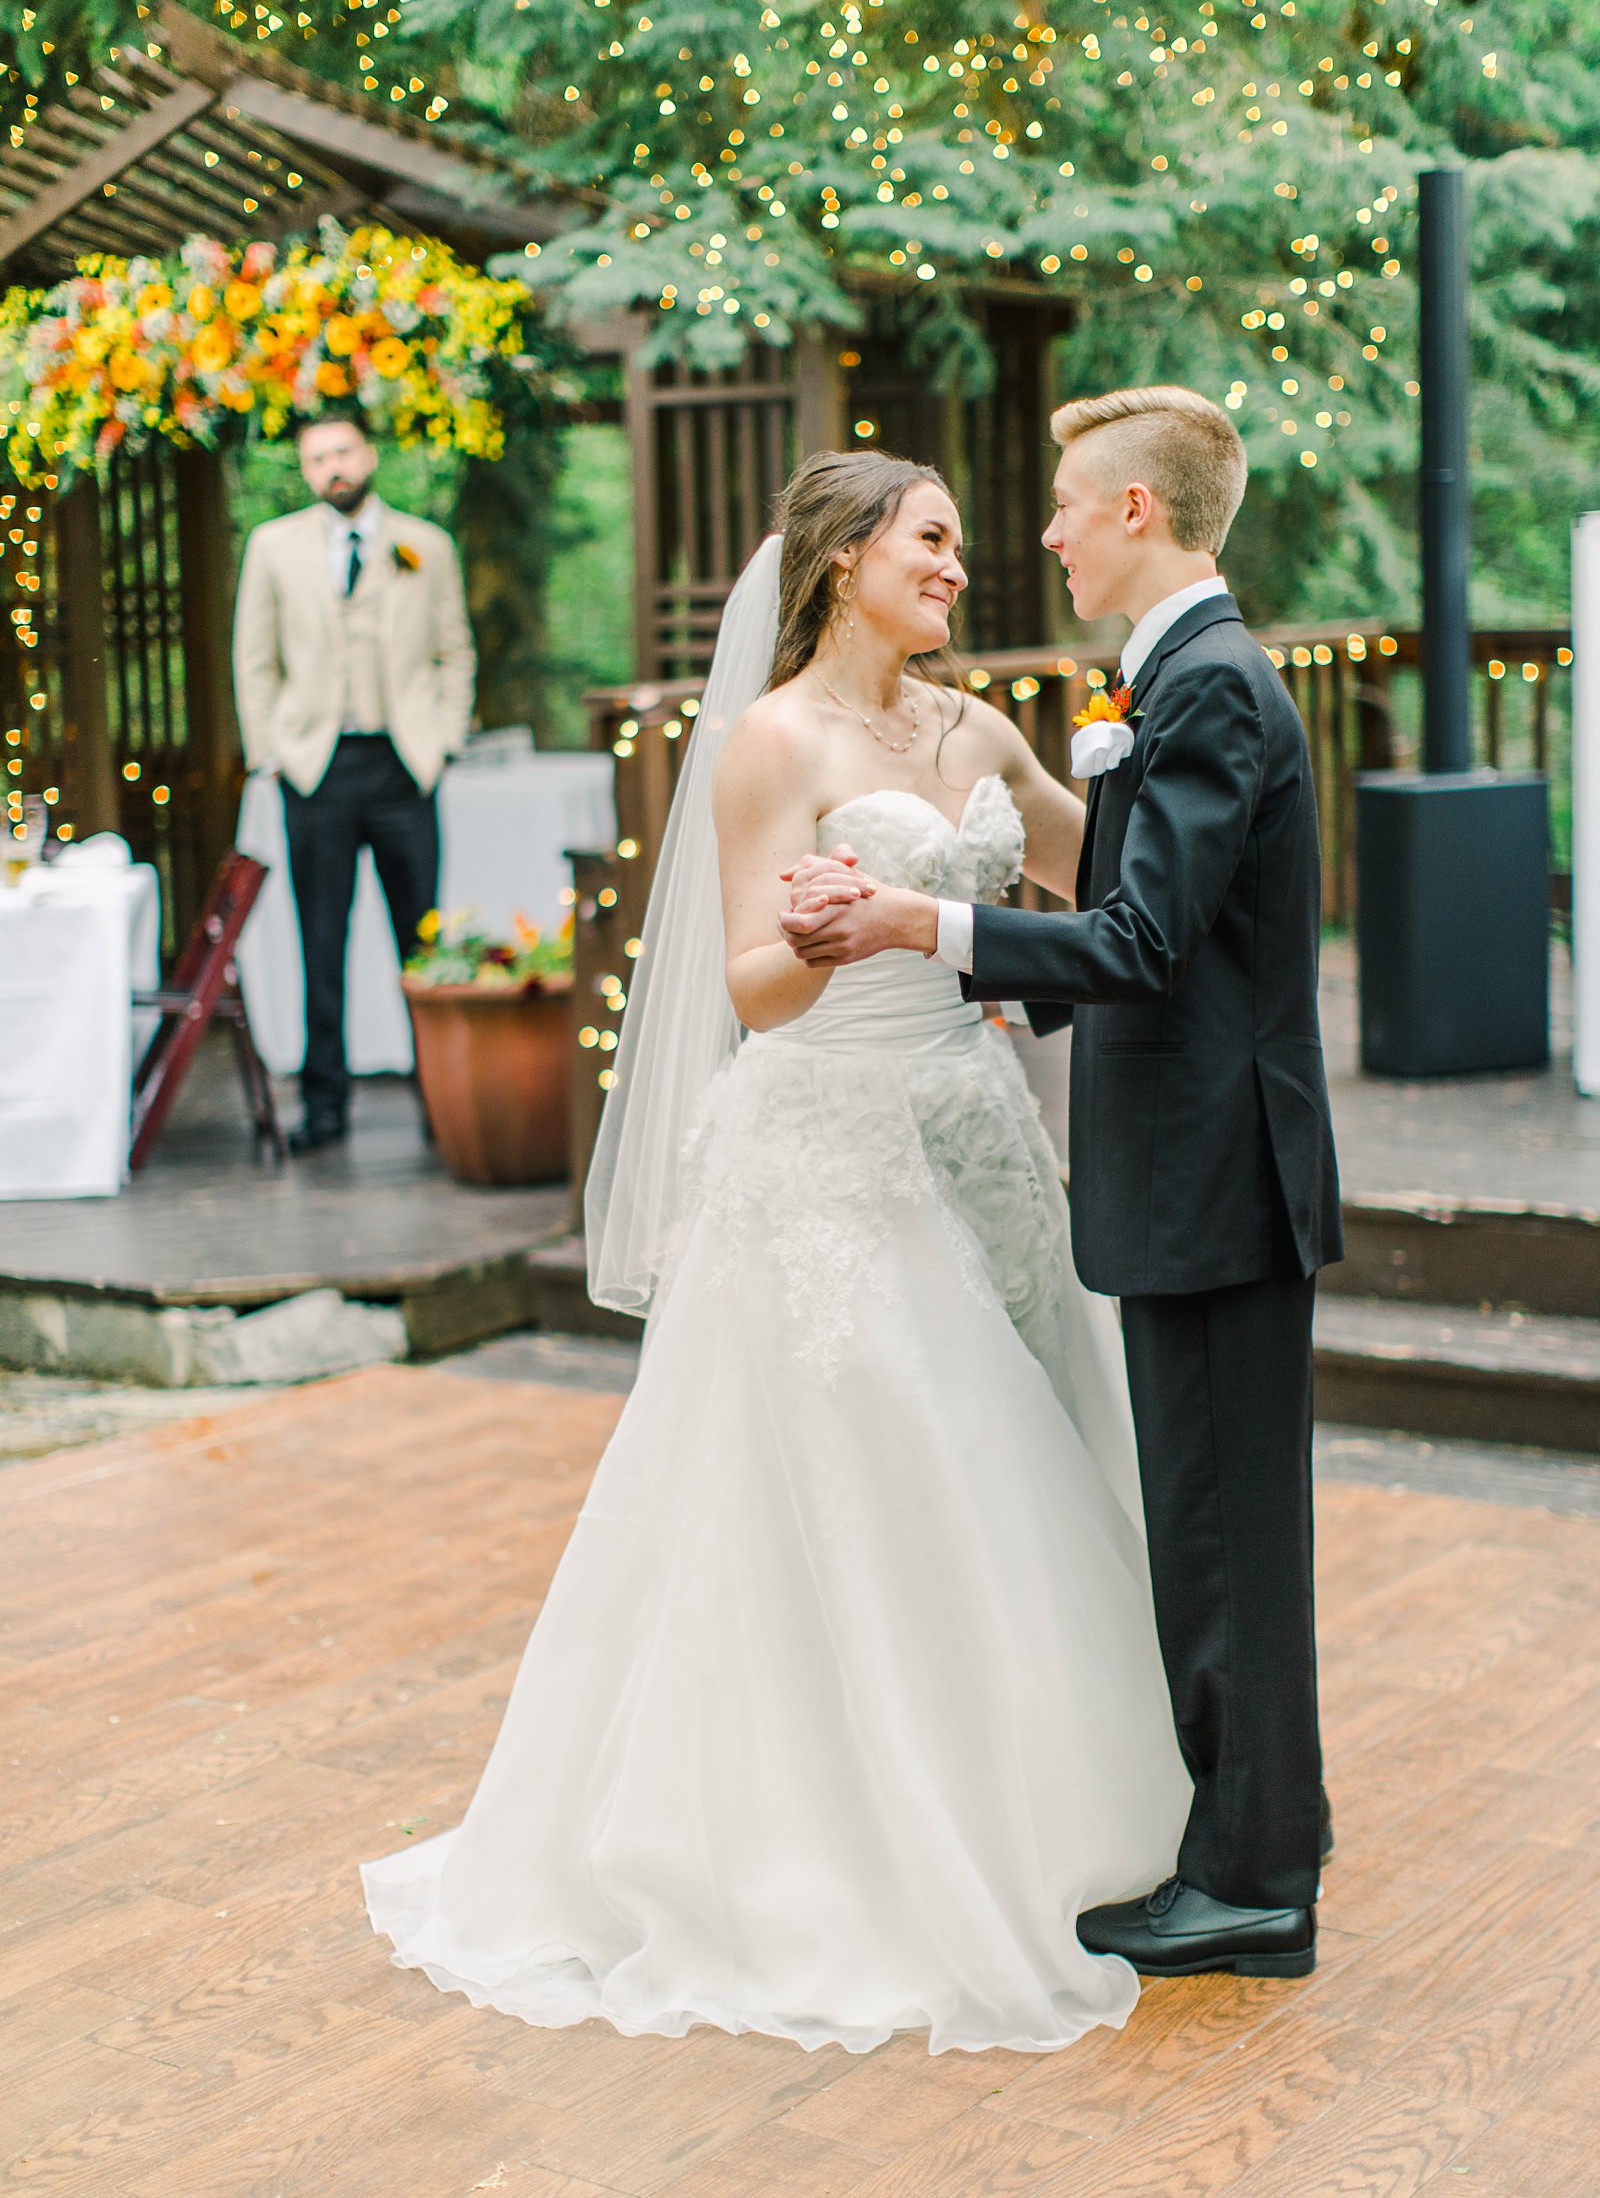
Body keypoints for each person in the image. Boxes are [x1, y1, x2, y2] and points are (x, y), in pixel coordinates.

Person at [362, 450, 1193, 2055]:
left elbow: (1106, 881)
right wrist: (829, 931)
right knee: (913, 1470)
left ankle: (1073, 1818)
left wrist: (1143, 783)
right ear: (844, 561)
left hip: (979, 1130)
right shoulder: (769, 742)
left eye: (959, 539)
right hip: (830, 1151)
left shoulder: (976, 730)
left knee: (1042, 1447)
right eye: (934, 540)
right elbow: (749, 985)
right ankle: (867, 1849)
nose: (961, 566)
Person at [781, 387, 1343, 1980]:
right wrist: (1015, 985)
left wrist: (920, 931)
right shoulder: (1180, 686)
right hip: (1205, 1176)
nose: (1045, 534)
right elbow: (1157, 927)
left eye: (1065, 505)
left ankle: (1251, 1881)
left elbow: (1150, 944)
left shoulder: (1213, 691)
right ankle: (1267, 1829)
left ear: (1139, 516)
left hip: (1217, 1182)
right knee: (1219, 1527)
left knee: (1226, 1536)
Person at [232, 410, 475, 1152]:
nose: (330, 468)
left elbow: (453, 651)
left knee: (421, 944)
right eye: (315, 459)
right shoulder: (272, 548)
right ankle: (325, 1106)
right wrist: (272, 751)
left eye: (341, 452)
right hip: (316, 768)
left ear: (368, 455)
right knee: (321, 939)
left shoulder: (424, 546)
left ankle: (441, 1099)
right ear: (305, 472)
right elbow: (255, 659)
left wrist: (442, 743)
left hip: (403, 764)